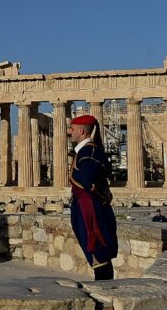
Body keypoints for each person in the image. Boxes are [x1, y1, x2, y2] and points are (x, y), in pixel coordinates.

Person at [68, 114, 118, 280]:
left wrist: (97, 189)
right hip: (87, 206)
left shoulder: (89, 151)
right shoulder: (87, 151)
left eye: (72, 129)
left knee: (98, 251)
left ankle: (105, 288)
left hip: (90, 209)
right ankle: (105, 285)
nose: (69, 132)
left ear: (81, 131)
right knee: (98, 254)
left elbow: (87, 179)